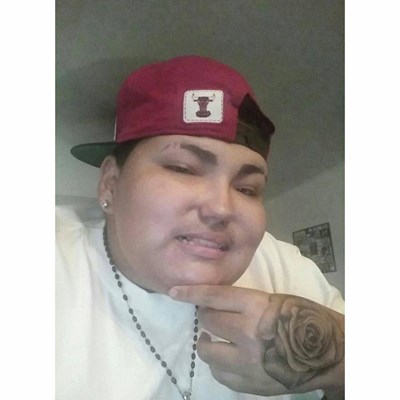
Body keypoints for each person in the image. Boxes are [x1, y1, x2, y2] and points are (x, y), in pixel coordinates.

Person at [56, 55, 344, 400]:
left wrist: (338, 366)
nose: (221, 208)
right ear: (111, 184)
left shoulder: (282, 267)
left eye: (247, 189)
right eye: (183, 169)